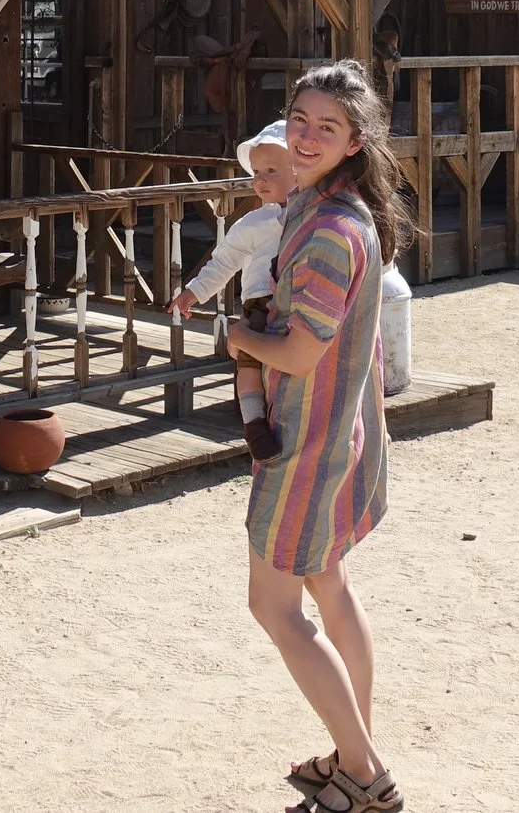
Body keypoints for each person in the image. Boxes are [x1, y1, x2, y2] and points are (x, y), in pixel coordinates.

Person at [225, 61, 405, 813]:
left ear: (354, 142)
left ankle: (363, 773)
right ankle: (353, 752)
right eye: (299, 119)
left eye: (325, 127)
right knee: (329, 586)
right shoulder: (329, 204)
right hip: (340, 435)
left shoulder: (330, 229)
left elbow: (299, 354)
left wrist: (240, 336)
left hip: (307, 443)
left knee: (275, 608)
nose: (304, 136)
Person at [169, 121, 292, 460]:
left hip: (300, 302)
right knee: (248, 363)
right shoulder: (251, 224)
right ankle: (254, 425)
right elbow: (223, 263)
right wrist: (193, 292)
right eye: (257, 172)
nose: (260, 179)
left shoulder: (314, 215)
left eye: (271, 171)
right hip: (260, 305)